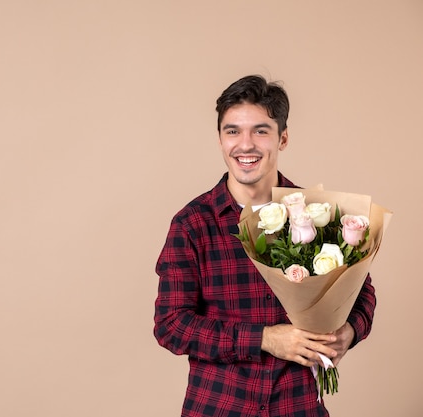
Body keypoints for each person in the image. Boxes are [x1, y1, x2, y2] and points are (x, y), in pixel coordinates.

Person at [153, 75, 376, 417]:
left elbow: (361, 293)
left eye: (260, 130)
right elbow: (171, 324)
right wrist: (264, 339)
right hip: (218, 408)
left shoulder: (319, 215)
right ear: (219, 140)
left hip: (299, 408)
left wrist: (349, 331)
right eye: (233, 131)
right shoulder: (192, 224)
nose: (246, 145)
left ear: (282, 138)